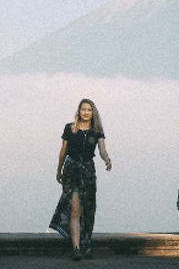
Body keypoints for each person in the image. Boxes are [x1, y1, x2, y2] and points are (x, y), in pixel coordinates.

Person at [49, 98, 111, 260]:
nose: (86, 112)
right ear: (79, 111)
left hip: (88, 173)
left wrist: (107, 159)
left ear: (93, 112)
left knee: (88, 209)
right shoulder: (70, 128)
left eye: (89, 110)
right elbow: (63, 151)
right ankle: (76, 248)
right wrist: (58, 169)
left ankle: (85, 244)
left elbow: (102, 149)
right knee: (75, 208)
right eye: (83, 109)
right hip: (72, 170)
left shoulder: (97, 130)